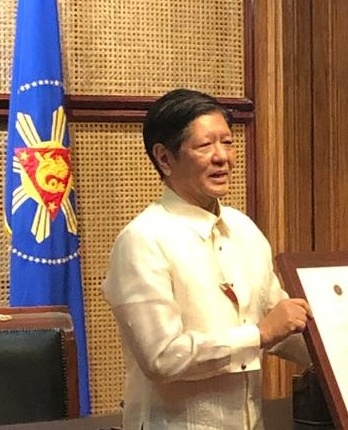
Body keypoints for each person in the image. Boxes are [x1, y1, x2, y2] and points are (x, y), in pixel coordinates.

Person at [102, 89, 311, 430]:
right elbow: (162, 357)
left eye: (227, 143)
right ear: (165, 158)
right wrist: (258, 335)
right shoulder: (142, 240)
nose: (222, 157)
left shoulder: (243, 229)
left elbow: (282, 325)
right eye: (205, 145)